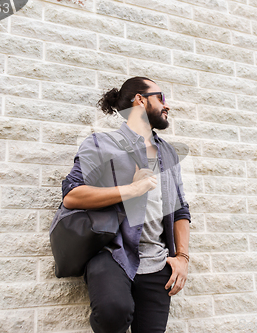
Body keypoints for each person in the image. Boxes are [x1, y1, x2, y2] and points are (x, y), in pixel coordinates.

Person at [61, 77, 191, 333]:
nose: (167, 105)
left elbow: (179, 210)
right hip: (112, 254)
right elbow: (72, 195)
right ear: (140, 100)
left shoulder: (168, 153)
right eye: (161, 97)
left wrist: (182, 258)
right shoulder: (100, 144)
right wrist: (130, 190)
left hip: (156, 263)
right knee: (113, 313)